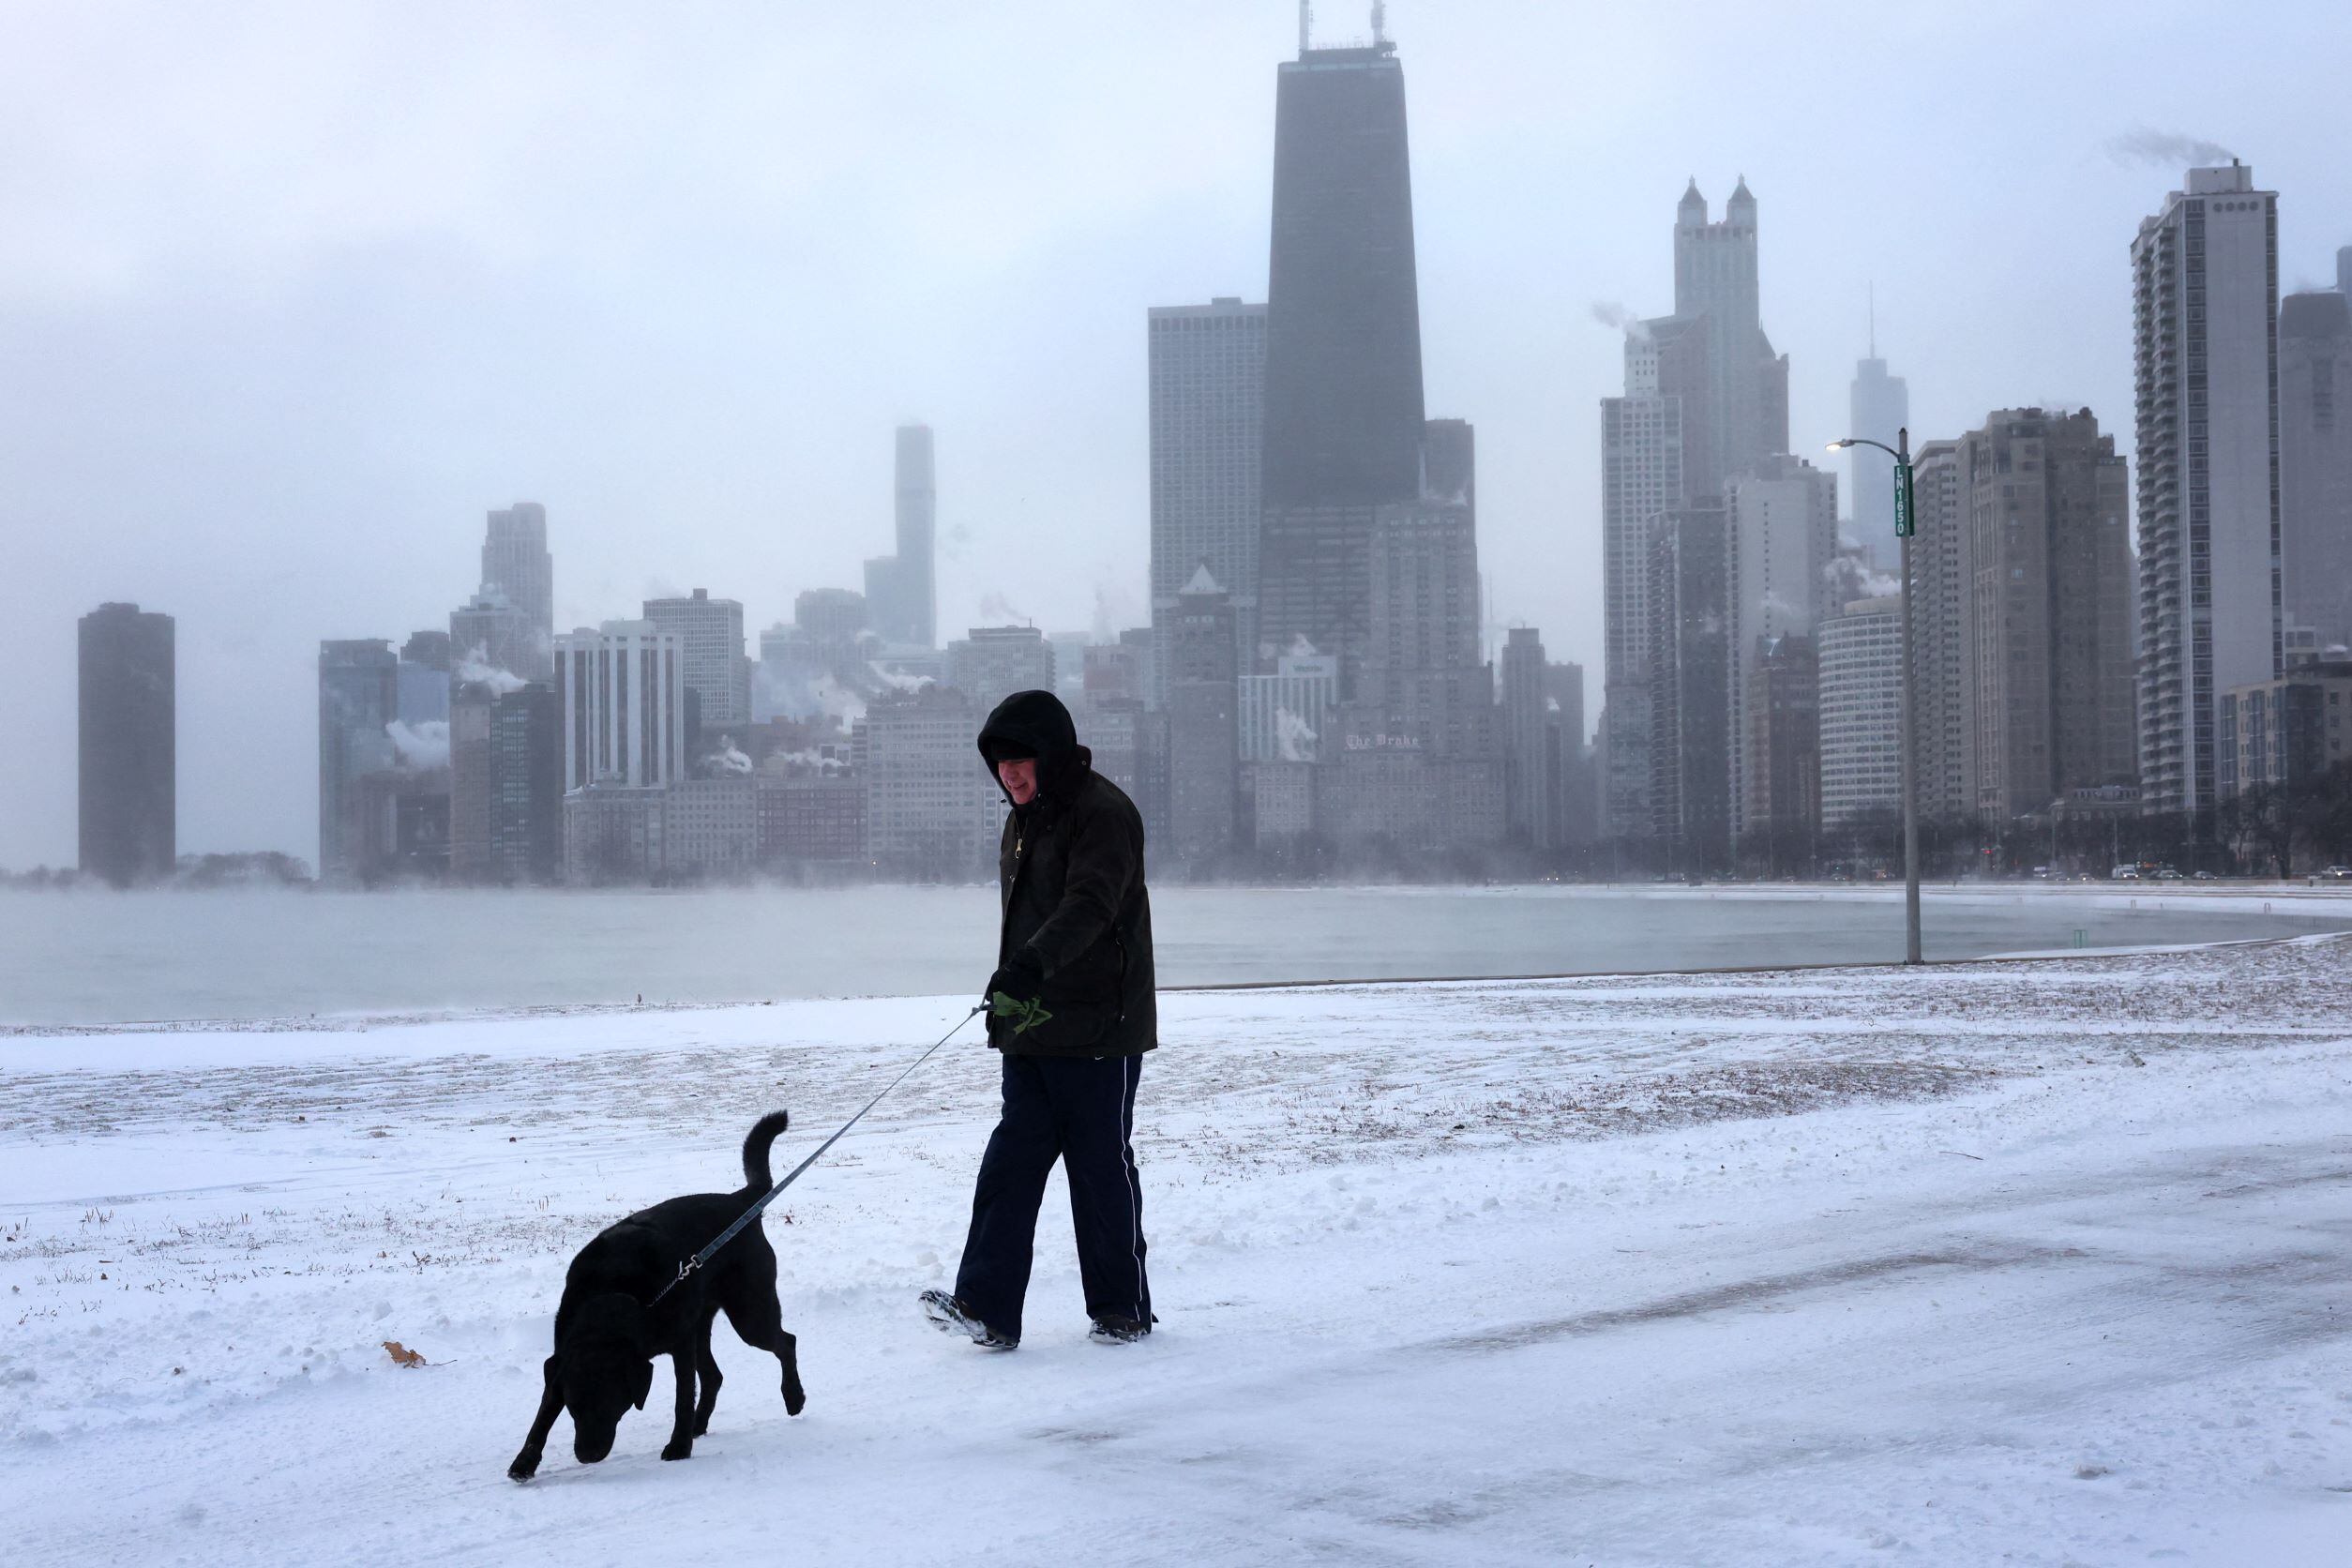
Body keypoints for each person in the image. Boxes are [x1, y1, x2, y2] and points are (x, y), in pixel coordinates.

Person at [920, 688, 1156, 1349]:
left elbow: (1090, 905)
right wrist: (1015, 989)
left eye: (1021, 761)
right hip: (1031, 1029)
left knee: (1099, 1169)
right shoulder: (1023, 819)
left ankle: (1121, 1310)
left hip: (1099, 1028)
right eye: (1000, 764)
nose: (1010, 774)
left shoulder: (1103, 814)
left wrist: (1030, 966)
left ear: (1050, 756)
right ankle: (987, 1309)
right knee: (1010, 1164)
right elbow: (1027, 921)